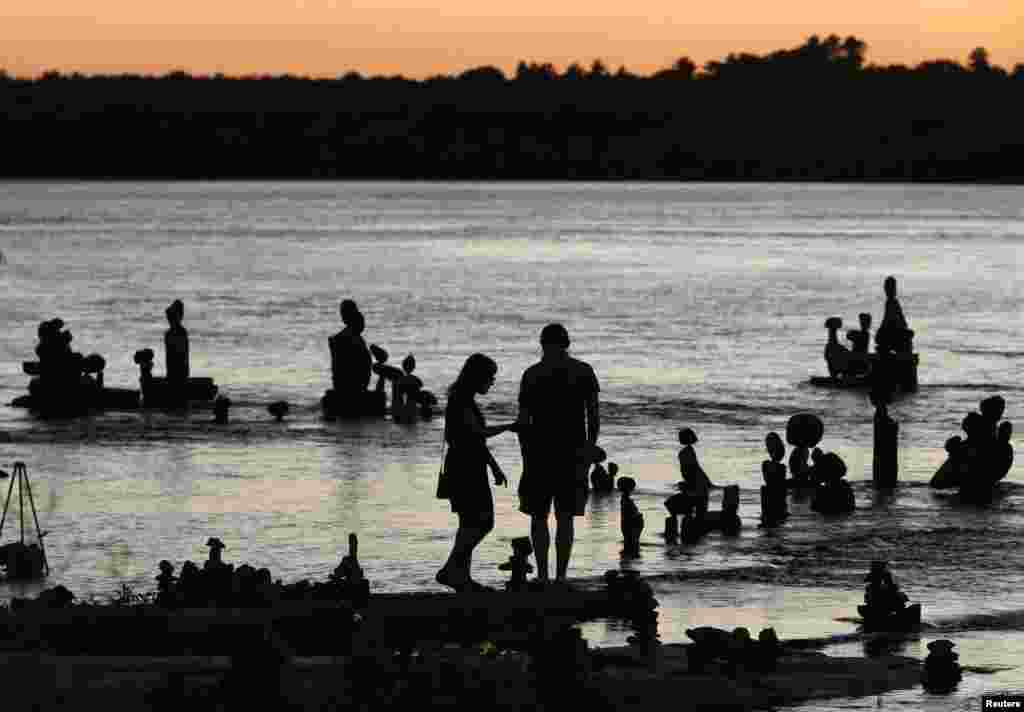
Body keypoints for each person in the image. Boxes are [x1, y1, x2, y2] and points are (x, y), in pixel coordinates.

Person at [516, 323, 600, 586]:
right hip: (573, 455)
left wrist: (525, 455)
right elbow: (594, 418)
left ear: (543, 344)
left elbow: (523, 421)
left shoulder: (532, 374)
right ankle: (561, 577)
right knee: (565, 518)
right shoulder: (583, 371)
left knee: (538, 517)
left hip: (539, 454)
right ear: (567, 344)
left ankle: (542, 576)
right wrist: (588, 449)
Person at [436, 353, 518, 592]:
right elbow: (476, 433)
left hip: (469, 466)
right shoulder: (460, 400)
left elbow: (475, 440)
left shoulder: (465, 399)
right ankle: (451, 570)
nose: (492, 381)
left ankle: (461, 578)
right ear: (477, 376)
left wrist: (494, 466)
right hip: (464, 469)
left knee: (470, 523)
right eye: (490, 377)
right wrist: (508, 426)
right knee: (482, 522)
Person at [328, 299, 372, 412]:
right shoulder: (347, 339)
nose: (363, 325)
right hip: (351, 386)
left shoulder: (347, 338)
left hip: (348, 385)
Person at [875, 276, 913, 354]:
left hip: (897, 332)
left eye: (888, 288)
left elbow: (889, 320)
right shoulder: (891, 302)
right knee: (879, 337)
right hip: (897, 331)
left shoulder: (892, 302)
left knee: (879, 337)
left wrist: (881, 331)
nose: (886, 290)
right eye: (886, 287)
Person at [164, 299, 190, 387]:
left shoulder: (179, 333)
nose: (169, 320)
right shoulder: (172, 333)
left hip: (178, 373)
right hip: (175, 373)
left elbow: (182, 356)